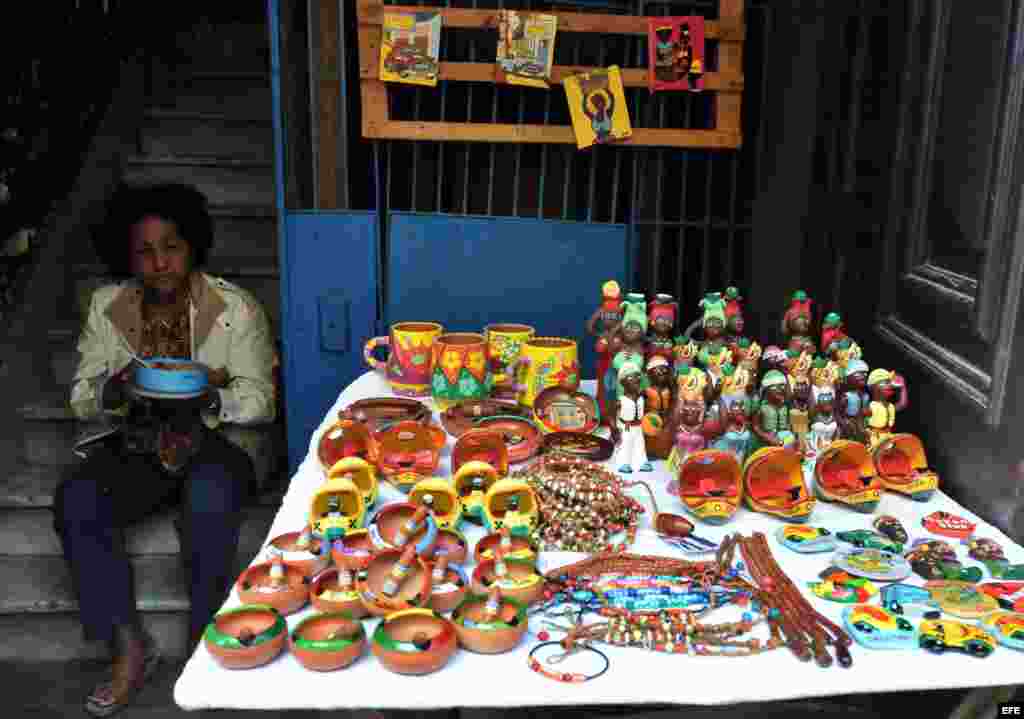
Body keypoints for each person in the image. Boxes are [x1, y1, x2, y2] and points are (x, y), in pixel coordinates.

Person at [53, 183, 276, 717]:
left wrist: (208, 396)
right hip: (139, 440)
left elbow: (262, 401)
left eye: (171, 247)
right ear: (128, 257)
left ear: (192, 246)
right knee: (78, 499)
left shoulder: (234, 309)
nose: (160, 263)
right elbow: (82, 395)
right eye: (145, 252)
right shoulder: (109, 306)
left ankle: (204, 648)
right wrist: (114, 388)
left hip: (219, 441)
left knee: (208, 499)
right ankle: (129, 647)